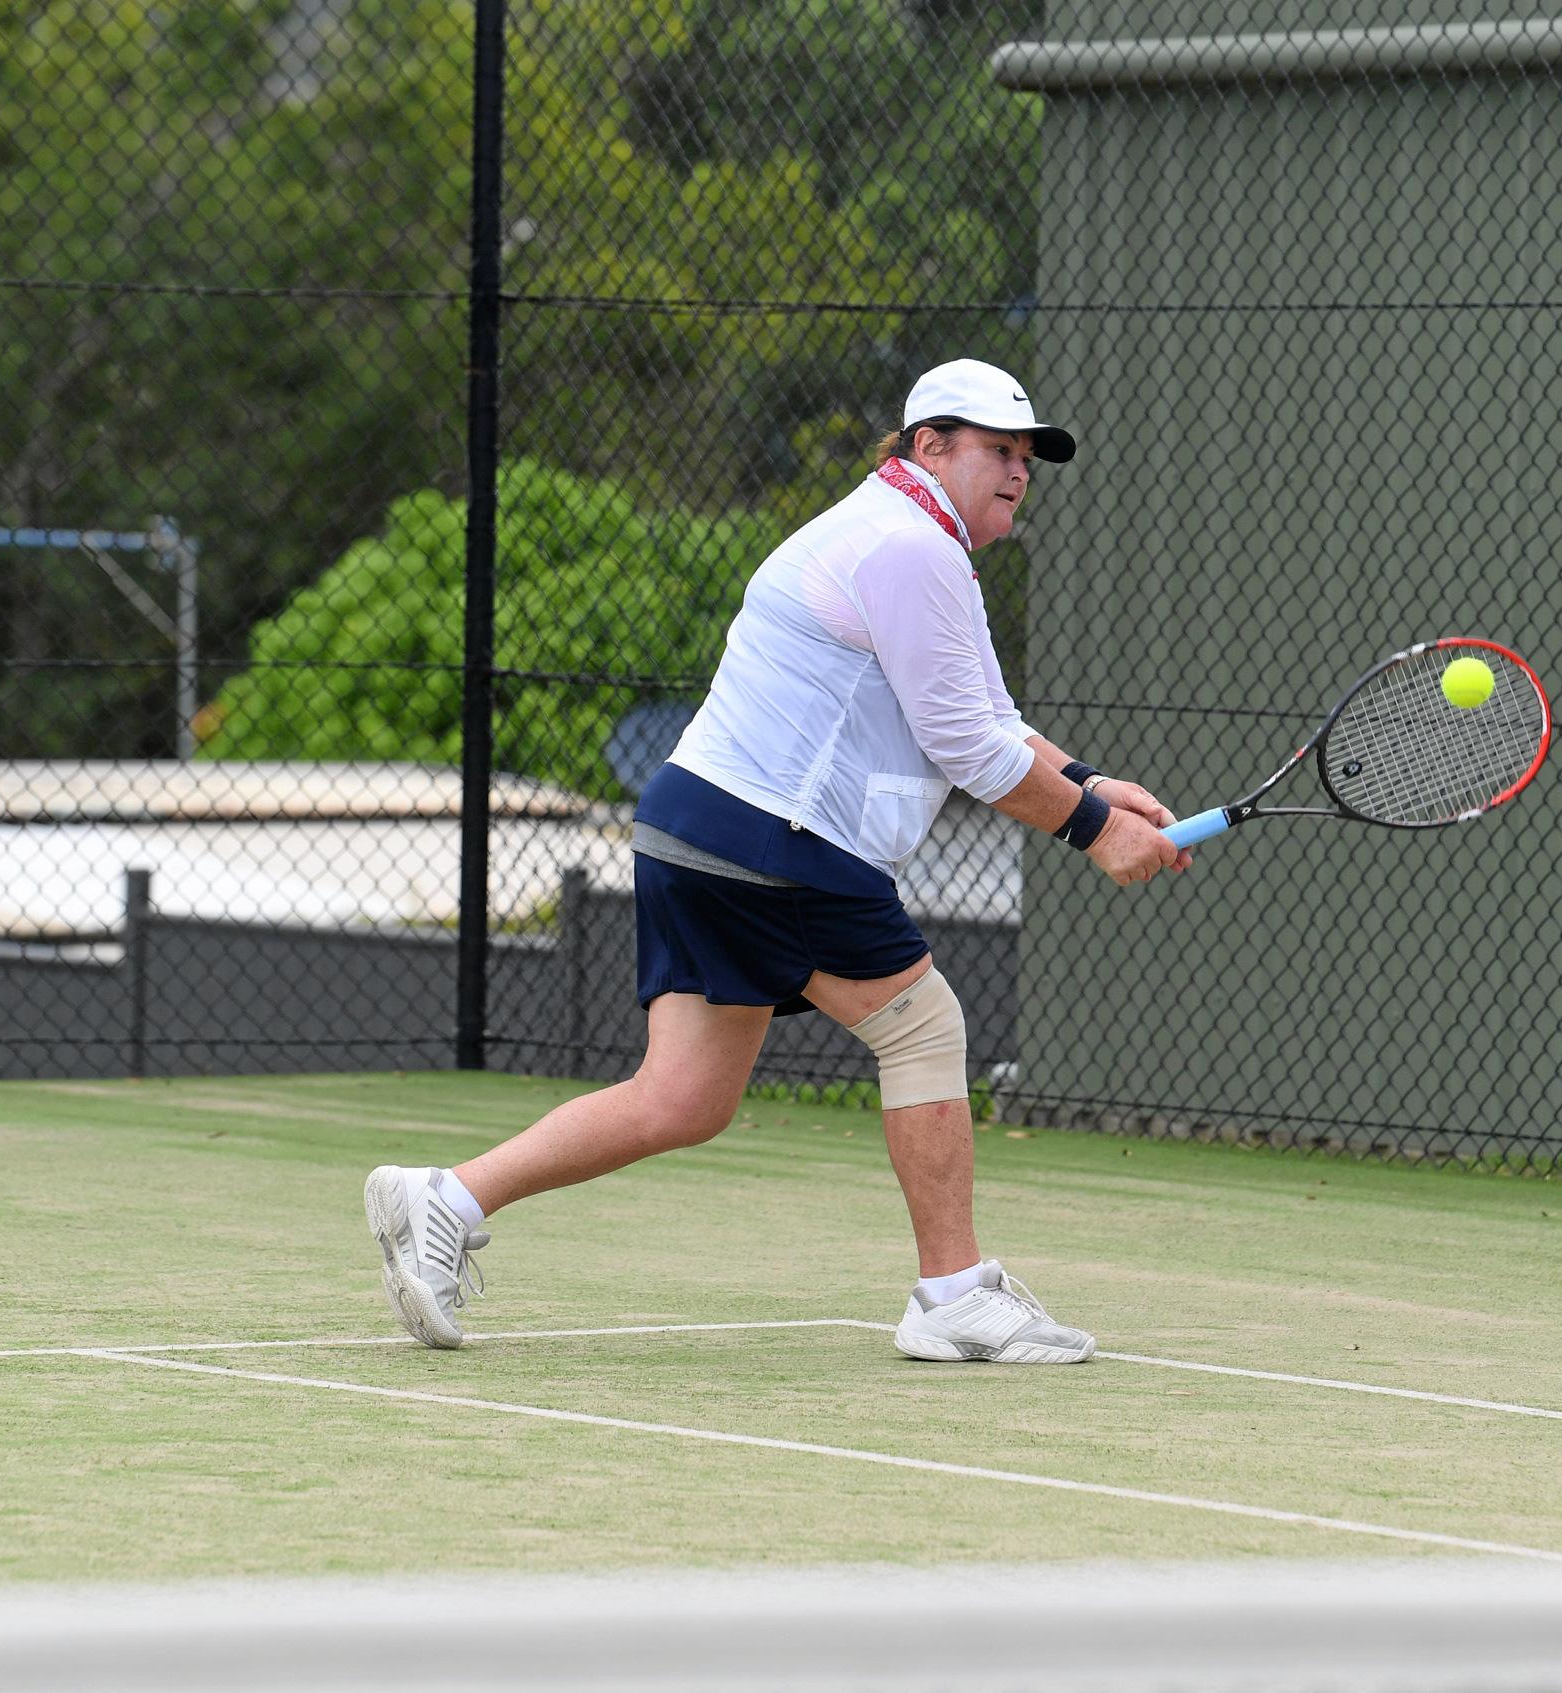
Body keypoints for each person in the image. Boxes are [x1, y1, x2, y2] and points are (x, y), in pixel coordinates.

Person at [366, 358, 1187, 1363]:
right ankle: (953, 1295)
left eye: (1028, 457)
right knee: (925, 1026)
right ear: (928, 446)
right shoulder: (910, 550)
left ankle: (445, 1198)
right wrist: (1096, 831)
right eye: (997, 450)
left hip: (689, 822)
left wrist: (1094, 785)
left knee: (685, 1098)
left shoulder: (889, 532)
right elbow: (967, 748)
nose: (1019, 471)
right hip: (772, 834)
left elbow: (986, 718)